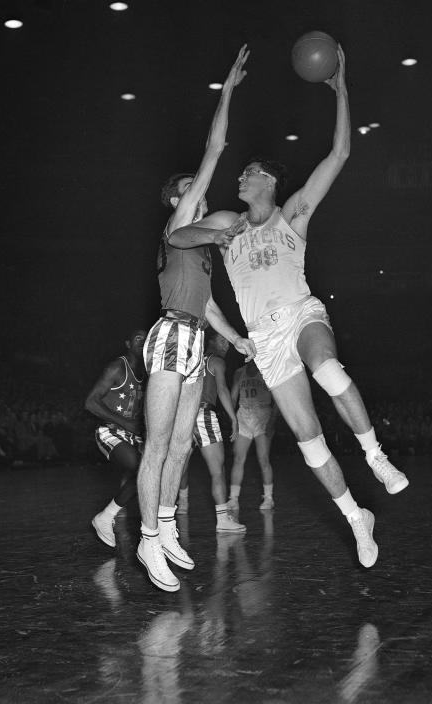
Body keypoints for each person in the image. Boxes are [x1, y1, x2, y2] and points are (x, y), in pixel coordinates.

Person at [170, 45, 408, 569]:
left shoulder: (293, 214)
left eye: (248, 174)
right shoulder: (227, 222)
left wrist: (342, 90)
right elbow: (180, 236)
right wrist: (220, 228)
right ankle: (355, 518)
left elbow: (339, 155)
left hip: (301, 314)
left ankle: (377, 456)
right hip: (265, 339)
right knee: (307, 439)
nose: (240, 179)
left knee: (326, 367)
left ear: (270, 182)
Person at [136, 46, 256, 592]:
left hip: (196, 341)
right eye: (190, 184)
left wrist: (237, 339)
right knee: (158, 444)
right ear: (176, 199)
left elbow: (207, 305)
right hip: (169, 337)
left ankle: (164, 529)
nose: (200, 184)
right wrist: (226, 92)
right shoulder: (184, 225)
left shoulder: (200, 251)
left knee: (183, 445)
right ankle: (145, 537)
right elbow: (215, 148)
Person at [176, 331, 246, 533]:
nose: (227, 345)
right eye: (223, 341)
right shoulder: (216, 361)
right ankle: (223, 520)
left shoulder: (191, 360)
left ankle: (181, 505)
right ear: (212, 342)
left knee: (180, 465)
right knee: (217, 469)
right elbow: (222, 390)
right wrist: (233, 418)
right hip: (203, 414)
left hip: (183, 416)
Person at [87, 329, 147, 549]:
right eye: (138, 338)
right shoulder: (117, 367)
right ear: (128, 344)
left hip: (132, 433)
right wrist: (125, 423)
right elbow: (91, 402)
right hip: (109, 431)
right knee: (143, 468)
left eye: (145, 339)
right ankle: (105, 517)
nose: (142, 341)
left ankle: (154, 524)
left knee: (149, 472)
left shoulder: (146, 371)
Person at [227, 360, 279, 511]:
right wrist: (232, 420)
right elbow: (232, 397)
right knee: (238, 458)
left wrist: (272, 421)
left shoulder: (267, 370)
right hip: (244, 414)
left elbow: (277, 399)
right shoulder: (239, 372)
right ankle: (233, 499)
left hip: (263, 414)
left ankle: (269, 498)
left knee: (263, 458)